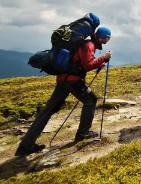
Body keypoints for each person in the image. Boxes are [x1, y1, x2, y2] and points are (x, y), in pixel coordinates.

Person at [15, 27, 113, 157]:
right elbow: (87, 65)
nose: (109, 39)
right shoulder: (88, 45)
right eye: (108, 37)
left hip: (63, 79)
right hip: (72, 81)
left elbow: (82, 62)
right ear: (104, 36)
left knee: (48, 110)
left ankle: (26, 145)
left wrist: (98, 63)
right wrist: (103, 58)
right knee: (91, 100)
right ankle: (83, 133)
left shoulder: (86, 44)